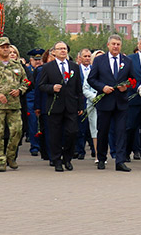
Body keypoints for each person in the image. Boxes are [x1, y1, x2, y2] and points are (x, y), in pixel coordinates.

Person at [88, 35, 137, 171]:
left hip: (121, 103)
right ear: (108, 45)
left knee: (121, 132)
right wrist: (102, 87)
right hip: (105, 101)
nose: (116, 46)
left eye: (118, 44)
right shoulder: (99, 60)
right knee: (102, 131)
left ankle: (120, 161)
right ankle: (102, 158)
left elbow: (133, 80)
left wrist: (126, 86)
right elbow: (91, 79)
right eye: (113, 44)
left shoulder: (127, 61)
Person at [0, 36, 30, 172]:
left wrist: (20, 90)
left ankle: (10, 156)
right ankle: (1, 160)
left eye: (7, 47)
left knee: (17, 131)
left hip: (14, 105)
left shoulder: (17, 65)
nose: (5, 49)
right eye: (2, 47)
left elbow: (26, 82)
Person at [37, 41, 83, 172]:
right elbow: (41, 85)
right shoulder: (48, 67)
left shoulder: (74, 66)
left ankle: (67, 158)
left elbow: (78, 88)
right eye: (60, 49)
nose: (63, 51)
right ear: (54, 52)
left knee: (72, 132)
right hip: (54, 105)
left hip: (71, 105)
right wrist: (52, 88)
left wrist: (80, 105)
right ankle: (57, 160)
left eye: (64, 49)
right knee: (55, 135)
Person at [75, 48, 98, 160]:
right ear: (80, 58)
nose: (87, 58)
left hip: (93, 101)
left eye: (89, 56)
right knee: (81, 127)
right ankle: (80, 150)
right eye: (85, 56)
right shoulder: (75, 70)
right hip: (81, 101)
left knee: (93, 127)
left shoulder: (95, 69)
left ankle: (95, 150)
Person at [24, 48, 45, 158]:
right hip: (31, 100)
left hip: (43, 100)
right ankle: (35, 146)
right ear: (31, 60)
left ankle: (43, 145)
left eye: (40, 59)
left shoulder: (44, 69)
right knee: (33, 124)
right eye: (35, 59)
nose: (38, 61)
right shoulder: (28, 71)